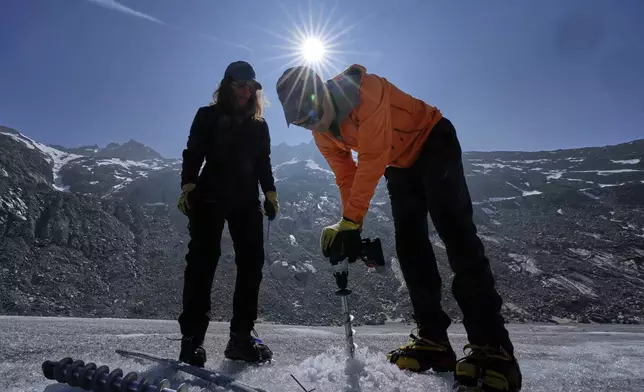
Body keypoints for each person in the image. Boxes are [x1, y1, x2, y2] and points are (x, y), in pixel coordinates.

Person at [275, 64, 522, 391]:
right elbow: (346, 176)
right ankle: (434, 342)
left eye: (311, 111)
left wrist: (350, 221)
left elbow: (373, 155)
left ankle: (494, 347)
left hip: (433, 140)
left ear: (322, 92)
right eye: (301, 121)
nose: (312, 123)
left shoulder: (365, 90)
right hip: (400, 164)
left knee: (456, 235)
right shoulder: (322, 133)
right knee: (410, 247)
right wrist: (351, 225)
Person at [176, 60, 278, 367]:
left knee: (252, 264)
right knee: (202, 262)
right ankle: (192, 342)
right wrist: (188, 185)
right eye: (241, 86)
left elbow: (263, 162)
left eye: (251, 87)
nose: (247, 92)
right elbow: (193, 151)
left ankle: (241, 340)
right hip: (210, 195)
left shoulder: (259, 125)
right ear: (227, 86)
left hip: (246, 199)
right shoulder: (207, 116)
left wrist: (270, 191)